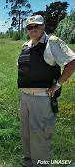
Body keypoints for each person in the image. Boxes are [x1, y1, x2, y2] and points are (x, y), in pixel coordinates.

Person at [17, 15, 75, 167]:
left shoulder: (52, 42)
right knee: (26, 135)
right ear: (27, 30)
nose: (33, 29)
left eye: (37, 26)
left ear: (43, 27)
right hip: (25, 99)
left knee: (40, 138)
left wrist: (57, 85)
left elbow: (71, 62)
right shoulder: (26, 46)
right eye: (30, 27)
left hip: (42, 99)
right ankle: (28, 163)